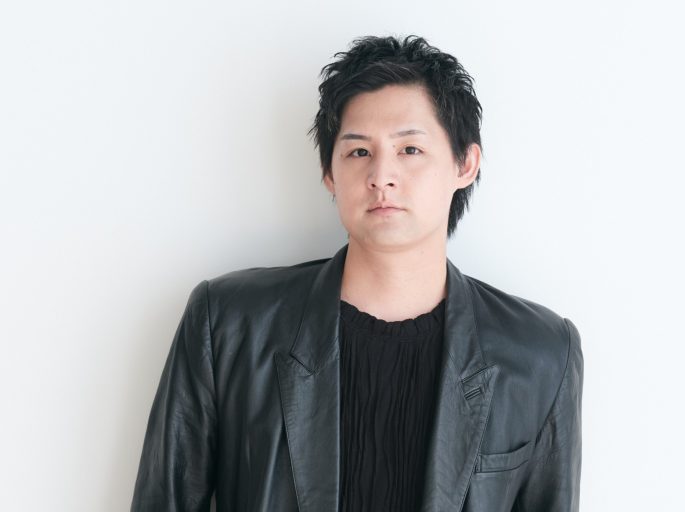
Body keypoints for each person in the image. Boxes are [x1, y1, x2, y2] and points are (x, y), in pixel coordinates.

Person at [131, 34, 584, 512]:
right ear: (329, 173)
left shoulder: (540, 352)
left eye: (410, 149)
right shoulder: (227, 324)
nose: (381, 176)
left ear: (464, 164)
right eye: (359, 152)